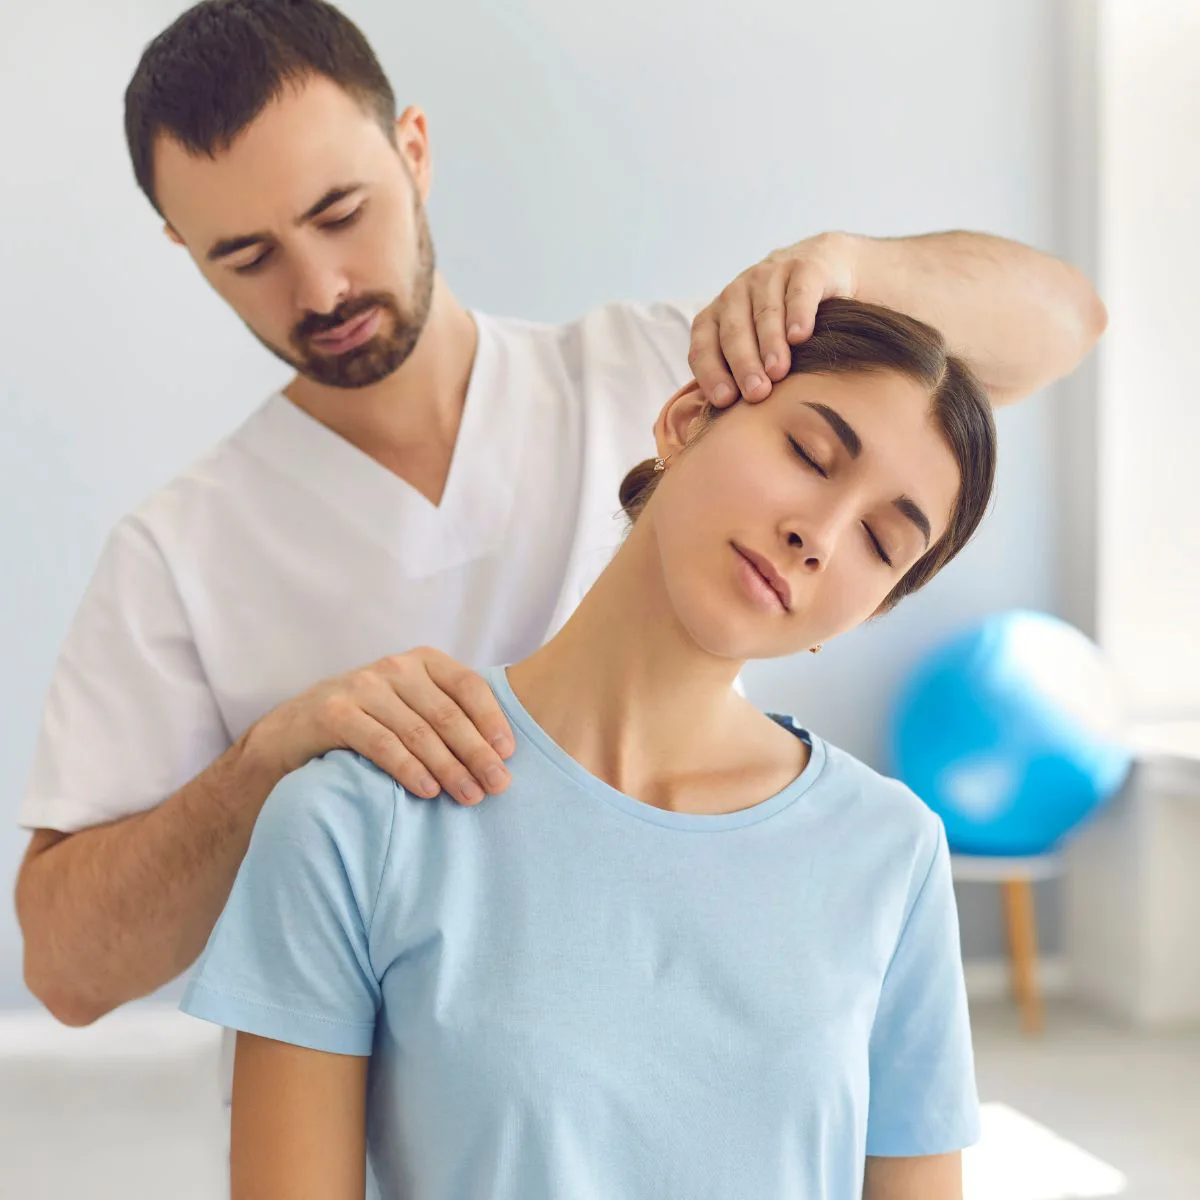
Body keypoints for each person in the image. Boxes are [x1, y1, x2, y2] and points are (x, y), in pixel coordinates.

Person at [16, 0, 1105, 1035]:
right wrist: (267, 764)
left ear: (414, 150)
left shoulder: (666, 371)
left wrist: (850, 267)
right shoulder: (178, 553)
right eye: (246, 257)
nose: (322, 287)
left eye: (339, 211)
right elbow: (65, 972)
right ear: (182, 248)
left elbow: (1062, 322)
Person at [181, 298, 996, 1200]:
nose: (821, 536)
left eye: (881, 544)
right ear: (688, 421)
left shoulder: (891, 853)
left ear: (869, 610)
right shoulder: (356, 819)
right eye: (808, 454)